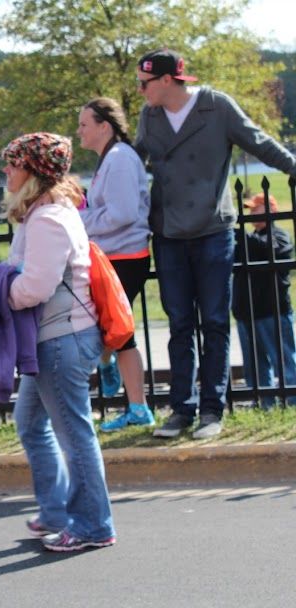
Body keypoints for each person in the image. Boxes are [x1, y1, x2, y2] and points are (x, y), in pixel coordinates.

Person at [134, 49, 296, 439]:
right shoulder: (149, 117)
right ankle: (181, 410)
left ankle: (212, 411)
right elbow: (133, 162)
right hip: (169, 234)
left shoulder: (216, 107)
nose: (140, 91)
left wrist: (293, 165)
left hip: (212, 230)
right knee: (180, 324)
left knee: (216, 322)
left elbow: (259, 142)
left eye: (145, 83)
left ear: (169, 80)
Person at [0, 132, 116, 551]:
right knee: (31, 423)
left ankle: (92, 526)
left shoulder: (48, 219)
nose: (7, 171)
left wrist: (0, 292)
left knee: (74, 433)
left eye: (13, 163)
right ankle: (56, 511)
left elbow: (36, 286)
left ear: (33, 171)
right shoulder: (45, 212)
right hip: (55, 338)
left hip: (61, 338)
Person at [76, 97, 155, 432]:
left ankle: (137, 406)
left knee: (118, 331)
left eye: (84, 124)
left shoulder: (120, 158)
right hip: (116, 257)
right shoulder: (112, 158)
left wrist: (81, 220)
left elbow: (122, 213)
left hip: (126, 257)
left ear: (103, 126)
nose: (78, 131)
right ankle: (127, 393)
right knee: (114, 330)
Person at [232, 193, 296, 408]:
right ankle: (264, 402)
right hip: (246, 312)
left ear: (272, 211)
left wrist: (239, 234)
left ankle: (292, 400)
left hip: (272, 311)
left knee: (284, 361)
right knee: (255, 366)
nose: (251, 214)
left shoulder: (279, 235)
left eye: (256, 209)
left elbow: (271, 249)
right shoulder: (246, 240)